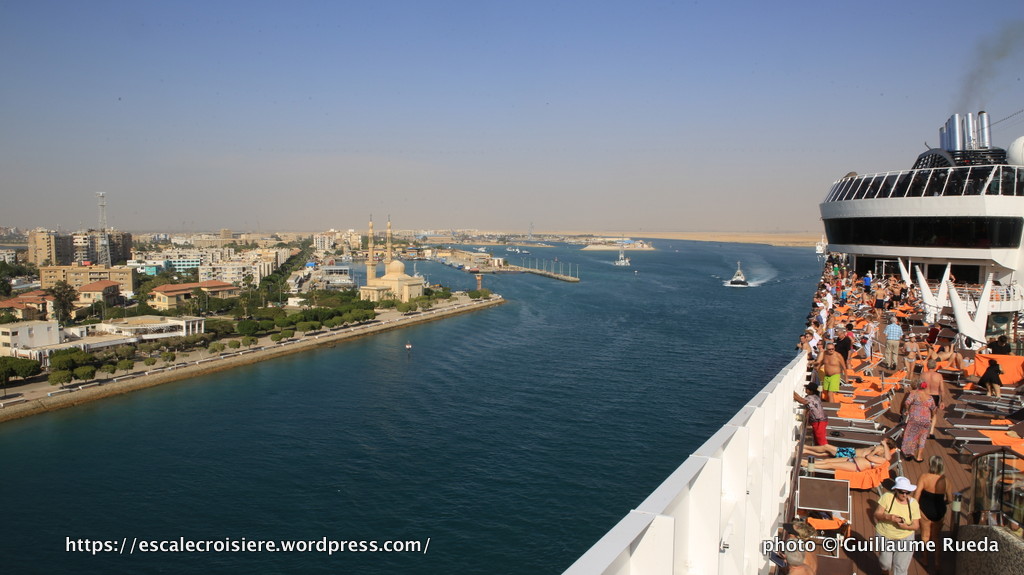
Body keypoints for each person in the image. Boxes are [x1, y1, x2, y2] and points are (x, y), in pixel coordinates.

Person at [874, 476, 922, 575]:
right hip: (885, 534)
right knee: (885, 563)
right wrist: (889, 517)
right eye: (901, 492)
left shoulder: (913, 504)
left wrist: (906, 526)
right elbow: (877, 514)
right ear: (896, 490)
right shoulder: (887, 497)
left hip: (905, 537)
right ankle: (885, 571)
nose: (904, 495)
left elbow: (916, 525)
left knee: (901, 568)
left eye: (907, 492)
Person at [914, 456, 950, 572]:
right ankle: (937, 563)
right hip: (939, 509)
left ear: (930, 464)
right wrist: (943, 503)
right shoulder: (946, 481)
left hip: (925, 509)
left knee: (925, 535)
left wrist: (914, 509)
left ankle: (925, 559)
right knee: (936, 538)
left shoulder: (924, 477)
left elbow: (917, 495)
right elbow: (950, 499)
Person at [901, 381, 937, 462]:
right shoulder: (930, 397)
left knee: (911, 436)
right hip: (926, 420)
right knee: (923, 437)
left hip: (914, 418)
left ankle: (909, 453)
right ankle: (919, 456)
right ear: (925, 387)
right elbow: (934, 409)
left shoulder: (914, 394)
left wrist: (907, 410)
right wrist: (931, 416)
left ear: (918, 386)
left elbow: (907, 403)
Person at [801, 439, 895, 470]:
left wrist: (883, 446)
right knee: (827, 458)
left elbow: (887, 457)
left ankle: (806, 455)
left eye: (885, 440)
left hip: (853, 459)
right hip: (852, 454)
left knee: (827, 451)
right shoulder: (880, 449)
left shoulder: (882, 456)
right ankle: (806, 454)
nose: (882, 440)